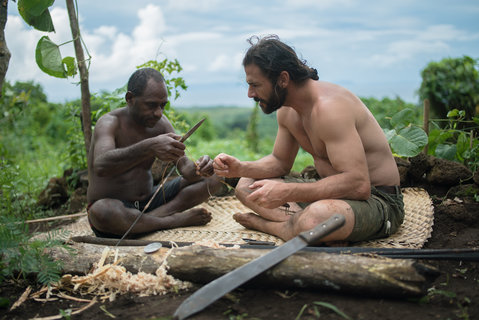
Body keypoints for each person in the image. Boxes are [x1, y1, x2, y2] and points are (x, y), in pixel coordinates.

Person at [213, 35, 404, 244]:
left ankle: (276, 227)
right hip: (333, 196)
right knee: (246, 186)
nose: (250, 94)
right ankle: (303, 228)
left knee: (317, 216)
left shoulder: (330, 109)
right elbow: (279, 162)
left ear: (283, 79)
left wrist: (288, 191)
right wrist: (240, 168)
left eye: (255, 85)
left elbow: (359, 185)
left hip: (377, 202)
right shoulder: (287, 111)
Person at [87, 68, 223, 238]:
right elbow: (101, 165)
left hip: (151, 201)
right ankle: (172, 220)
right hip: (115, 206)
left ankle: (148, 220)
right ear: (130, 99)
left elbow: (186, 170)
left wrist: (202, 168)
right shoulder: (109, 122)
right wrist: (149, 146)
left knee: (216, 176)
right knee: (102, 211)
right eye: (151, 105)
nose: (158, 113)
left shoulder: (161, 124)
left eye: (162, 105)